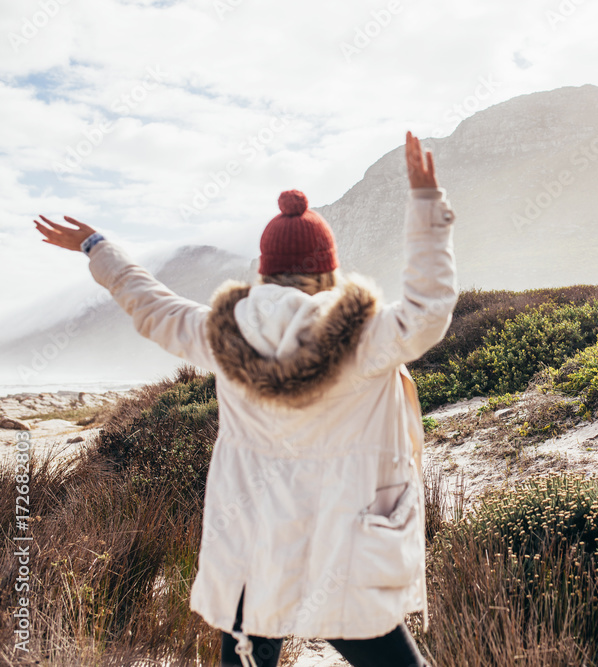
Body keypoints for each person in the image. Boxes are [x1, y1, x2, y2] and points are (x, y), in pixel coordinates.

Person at [33, 132, 455, 667]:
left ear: (264, 269)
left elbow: (150, 303)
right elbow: (429, 306)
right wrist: (425, 205)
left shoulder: (218, 331)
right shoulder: (368, 338)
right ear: (328, 269)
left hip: (255, 547)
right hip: (346, 548)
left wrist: (98, 248)